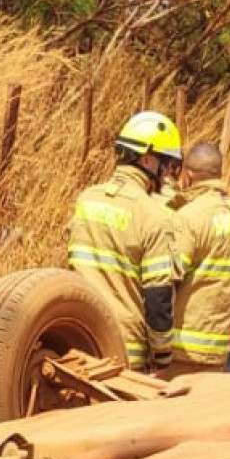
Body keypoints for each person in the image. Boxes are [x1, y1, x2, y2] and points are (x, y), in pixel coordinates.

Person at [66, 110, 183, 369]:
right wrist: (163, 355)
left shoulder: (86, 199)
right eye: (166, 164)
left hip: (79, 342)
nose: (167, 175)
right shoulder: (153, 216)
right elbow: (157, 298)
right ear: (148, 160)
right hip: (124, 352)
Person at [168, 141, 230, 372]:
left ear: (187, 176)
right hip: (218, 351)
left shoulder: (188, 218)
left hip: (180, 350)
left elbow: (169, 280)